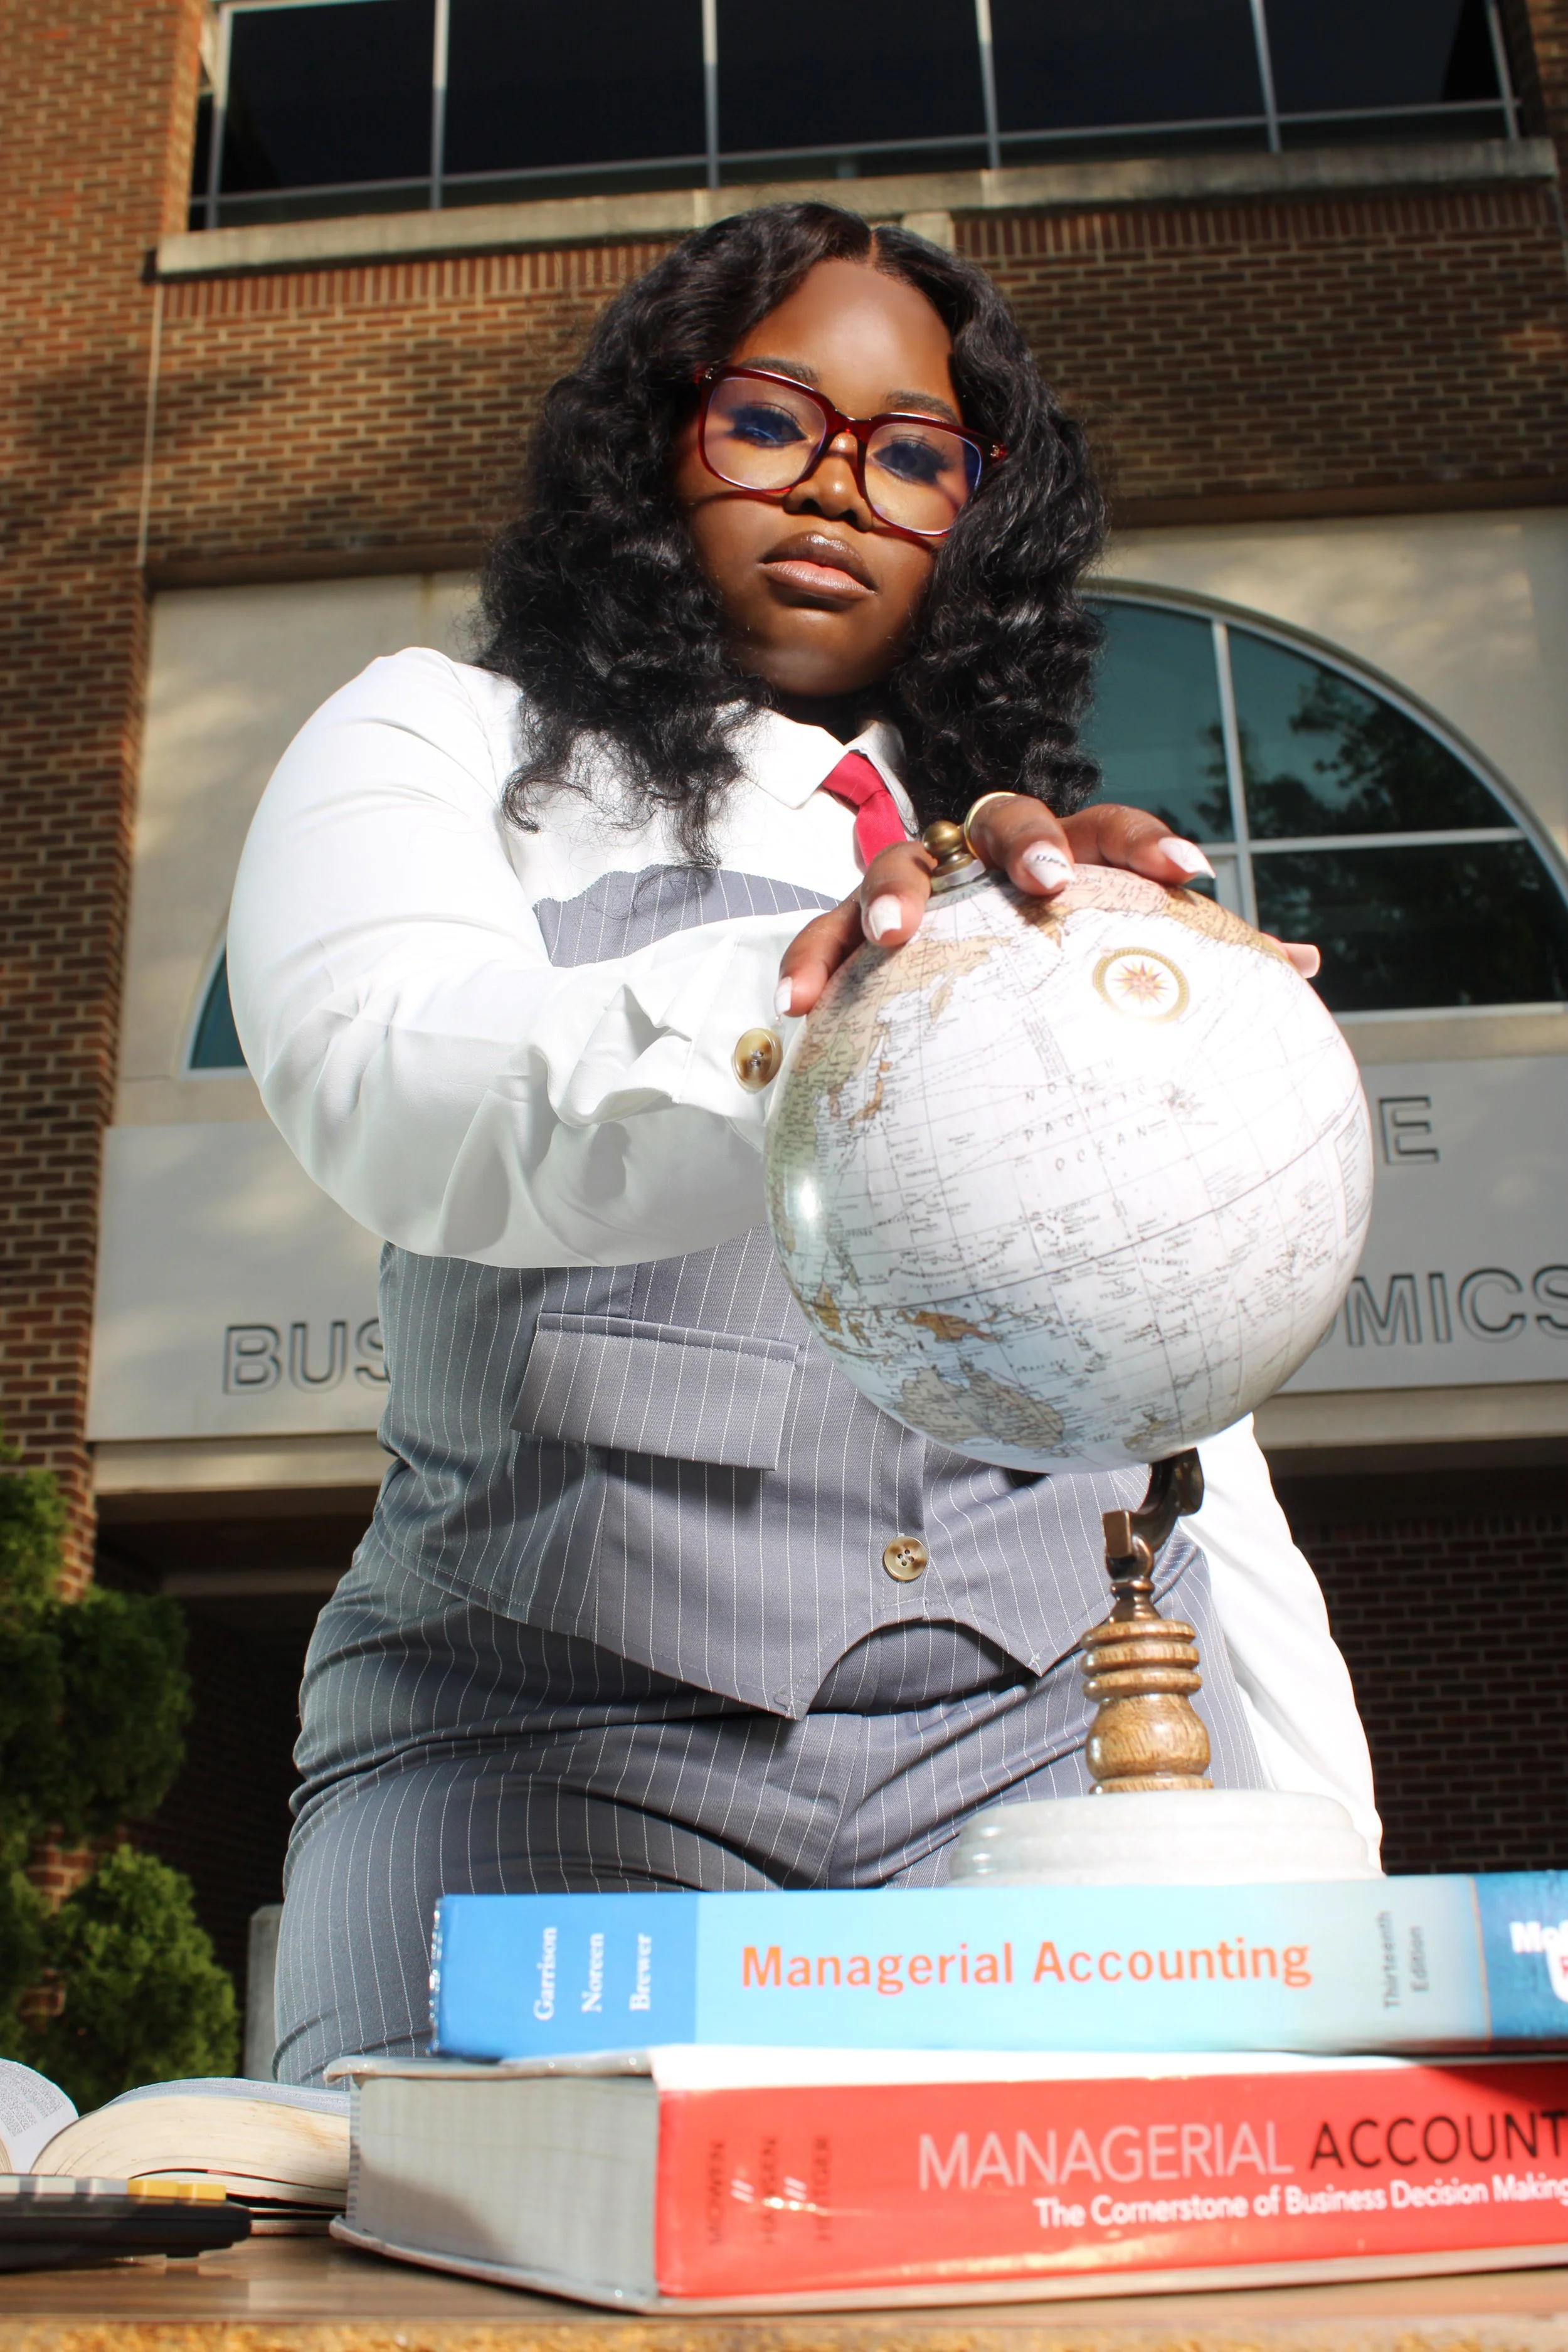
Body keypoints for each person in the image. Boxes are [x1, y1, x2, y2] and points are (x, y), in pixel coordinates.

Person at [228, 202, 1378, 2087]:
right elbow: (394, 1087)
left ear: (973, 517)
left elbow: (1189, 1423)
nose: (839, 491)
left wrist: (1335, 1871)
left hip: (1045, 1745)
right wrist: (830, 1029)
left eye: (915, 455)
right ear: (655, 434)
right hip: (540, 1737)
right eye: (771, 422)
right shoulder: (440, 737)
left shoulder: (1044, 877)